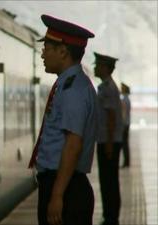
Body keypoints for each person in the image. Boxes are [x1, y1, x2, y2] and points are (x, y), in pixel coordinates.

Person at [28, 14, 97, 225]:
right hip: (64, 185)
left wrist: (57, 196)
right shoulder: (69, 85)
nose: (42, 54)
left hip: (66, 189)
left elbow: (73, 145)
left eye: (47, 48)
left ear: (63, 51)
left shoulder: (73, 90)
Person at [94, 52, 124, 225]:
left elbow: (111, 117)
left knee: (109, 180)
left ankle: (111, 217)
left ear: (105, 68)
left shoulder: (108, 88)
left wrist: (110, 144)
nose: (95, 68)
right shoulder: (106, 86)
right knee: (107, 180)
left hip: (108, 141)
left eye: (98, 65)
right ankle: (109, 215)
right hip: (107, 140)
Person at [120, 83, 131, 168]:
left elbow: (123, 113)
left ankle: (126, 162)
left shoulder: (124, 100)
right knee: (125, 143)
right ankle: (126, 161)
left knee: (124, 144)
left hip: (124, 124)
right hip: (126, 123)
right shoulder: (127, 99)